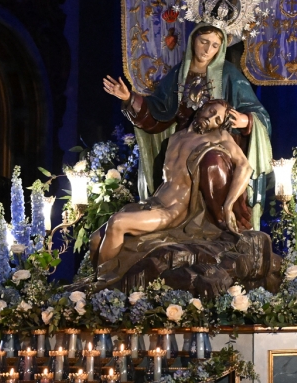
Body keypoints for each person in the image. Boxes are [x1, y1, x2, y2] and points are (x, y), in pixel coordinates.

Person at [104, 23, 271, 230]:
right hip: (184, 140)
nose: (208, 50)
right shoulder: (178, 74)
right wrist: (130, 98)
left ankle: (220, 221)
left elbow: (258, 112)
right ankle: (173, 218)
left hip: (218, 144)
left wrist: (245, 121)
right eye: (204, 42)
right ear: (193, 40)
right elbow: (158, 112)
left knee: (213, 162)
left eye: (215, 45)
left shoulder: (228, 74)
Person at [89, 100, 252, 281]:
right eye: (212, 111)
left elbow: (245, 167)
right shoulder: (175, 137)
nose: (212, 118)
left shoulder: (218, 137)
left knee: (118, 222)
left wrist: (228, 205)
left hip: (172, 211)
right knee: (95, 238)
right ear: (202, 107)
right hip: (152, 202)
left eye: (218, 119)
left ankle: (103, 283)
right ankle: (96, 281)